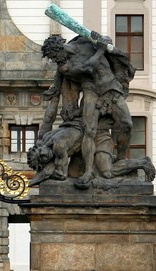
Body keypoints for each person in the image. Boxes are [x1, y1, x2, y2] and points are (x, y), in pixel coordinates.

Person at [40, 34, 135, 188]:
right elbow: (88, 67)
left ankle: (121, 159)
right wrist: (101, 50)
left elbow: (107, 42)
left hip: (111, 88)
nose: (55, 61)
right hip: (91, 92)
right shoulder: (65, 67)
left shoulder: (84, 41)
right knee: (89, 130)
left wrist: (103, 40)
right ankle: (88, 171)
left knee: (127, 125)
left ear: (60, 48)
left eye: (54, 56)